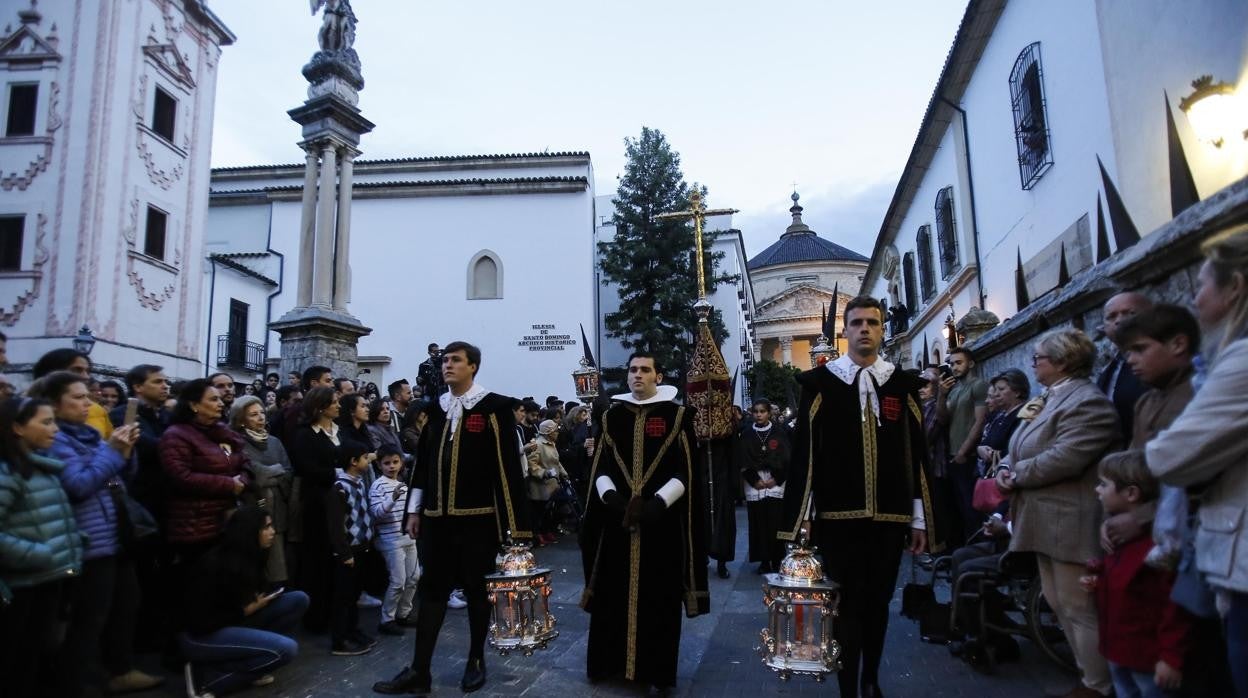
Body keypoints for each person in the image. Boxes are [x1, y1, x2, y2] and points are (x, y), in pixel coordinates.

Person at [778, 296, 934, 698]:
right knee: (844, 603)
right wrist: (806, 513)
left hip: (890, 517)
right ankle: (849, 684)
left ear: (882, 330)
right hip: (837, 515)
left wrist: (918, 516)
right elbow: (807, 452)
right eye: (858, 323)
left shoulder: (900, 383)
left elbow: (915, 452)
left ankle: (871, 679)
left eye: (873, 322)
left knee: (879, 604)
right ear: (845, 331)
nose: (865, 329)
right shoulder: (821, 384)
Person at [374, 341, 530, 696]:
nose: (447, 366)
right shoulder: (435, 409)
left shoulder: (494, 407)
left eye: (455, 360)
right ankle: (419, 671)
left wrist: (514, 526)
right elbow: (424, 466)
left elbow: (506, 469)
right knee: (432, 591)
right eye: (444, 360)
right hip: (436, 520)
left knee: (476, 591)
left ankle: (476, 659)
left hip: (479, 520)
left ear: (473, 366)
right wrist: (414, 510)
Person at [1146, 228, 1248, 697]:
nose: (1195, 296)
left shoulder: (1241, 361)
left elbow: (1169, 455)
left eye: (1203, 284)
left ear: (1235, 288)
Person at [995, 328, 1120, 698]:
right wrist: (1004, 466)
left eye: (1039, 358)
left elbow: (1065, 456)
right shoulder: (1049, 398)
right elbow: (1018, 443)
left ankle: (1099, 684)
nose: (1034, 364)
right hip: (1044, 518)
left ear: (1064, 361)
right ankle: (1087, 675)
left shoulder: (1087, 402)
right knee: (1058, 600)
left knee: (1078, 606)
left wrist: (1015, 476)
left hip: (1070, 519)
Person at [578, 351, 709, 692]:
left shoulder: (678, 416)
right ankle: (609, 664)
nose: (637, 375)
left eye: (645, 370)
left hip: (661, 527)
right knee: (612, 596)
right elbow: (602, 467)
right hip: (617, 526)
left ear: (658, 376)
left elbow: (686, 471)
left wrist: (657, 504)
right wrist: (613, 499)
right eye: (633, 370)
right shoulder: (610, 417)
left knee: (659, 601)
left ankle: (656, 671)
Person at [28, 372, 159, 696]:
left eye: (88, 396)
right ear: (54, 404)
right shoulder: (55, 440)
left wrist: (125, 452)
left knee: (126, 604)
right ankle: (74, 683)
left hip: (112, 535)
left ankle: (120, 669)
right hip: (87, 541)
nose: (88, 403)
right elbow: (79, 484)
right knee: (88, 620)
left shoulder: (87, 434)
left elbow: (116, 474)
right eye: (78, 397)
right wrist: (114, 452)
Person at [1085, 451, 1191, 698]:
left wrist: (1171, 657)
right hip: (1118, 650)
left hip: (1148, 659)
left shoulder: (1156, 550)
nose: (1097, 490)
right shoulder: (1119, 536)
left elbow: (1174, 607)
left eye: (1103, 484)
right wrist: (1098, 581)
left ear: (1131, 493)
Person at [0, 397, 84, 698]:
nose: (55, 430)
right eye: (46, 422)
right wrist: (40, 554)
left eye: (55, 422)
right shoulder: (7, 473)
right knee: (17, 664)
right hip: (24, 586)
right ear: (18, 428)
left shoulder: (39, 466)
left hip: (47, 580)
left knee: (37, 658)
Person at [180, 506, 308, 697]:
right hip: (201, 635)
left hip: (231, 621)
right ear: (249, 532)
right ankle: (207, 679)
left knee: (298, 599)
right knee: (286, 649)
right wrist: (245, 611)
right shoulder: (215, 564)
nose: (272, 532)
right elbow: (200, 621)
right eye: (266, 527)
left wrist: (266, 596)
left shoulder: (251, 556)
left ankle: (249, 663)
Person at [289, 386, 342, 632]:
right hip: (317, 504)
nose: (338, 405)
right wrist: (338, 473)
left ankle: (333, 612)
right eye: (334, 402)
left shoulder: (338, 431)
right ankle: (316, 617)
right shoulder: (304, 435)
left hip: (338, 503)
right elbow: (307, 469)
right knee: (316, 560)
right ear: (320, 407)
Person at [230, 395, 296, 585]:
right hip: (253, 506)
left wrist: (270, 474)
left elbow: (288, 472)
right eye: (253, 414)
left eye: (262, 413)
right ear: (241, 419)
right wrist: (274, 471)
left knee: (277, 561)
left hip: (278, 509)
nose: (260, 418)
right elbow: (254, 474)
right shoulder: (237, 442)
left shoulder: (275, 442)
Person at [325, 439, 377, 655]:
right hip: (349, 551)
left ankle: (352, 630)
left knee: (355, 594)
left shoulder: (359, 482)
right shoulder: (339, 488)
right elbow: (335, 525)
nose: (368, 460)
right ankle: (339, 639)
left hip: (362, 546)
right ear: (353, 461)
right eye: (365, 458)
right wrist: (344, 552)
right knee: (344, 597)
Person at [937, 346, 989, 545]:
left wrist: (963, 451)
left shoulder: (978, 386)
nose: (954, 367)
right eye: (951, 363)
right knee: (960, 509)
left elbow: (980, 421)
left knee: (972, 509)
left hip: (968, 457)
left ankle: (977, 552)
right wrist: (941, 395)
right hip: (953, 455)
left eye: (959, 362)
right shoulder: (954, 390)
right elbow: (943, 419)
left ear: (971, 363)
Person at [369, 445, 419, 636]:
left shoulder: (404, 484)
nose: (391, 466)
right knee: (398, 581)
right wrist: (392, 498)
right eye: (387, 463)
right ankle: (386, 619)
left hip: (407, 538)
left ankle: (403, 614)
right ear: (379, 465)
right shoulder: (378, 485)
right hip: (390, 540)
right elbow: (376, 513)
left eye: (395, 462)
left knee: (413, 578)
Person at [737, 398, 788, 574]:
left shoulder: (779, 432)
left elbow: (786, 458)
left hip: (775, 482)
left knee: (775, 522)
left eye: (762, 411)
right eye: (756, 412)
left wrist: (776, 478)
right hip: (755, 484)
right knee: (758, 523)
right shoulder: (746, 434)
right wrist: (754, 480)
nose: (759, 415)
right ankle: (764, 561)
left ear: (769, 413)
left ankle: (777, 559)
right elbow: (742, 459)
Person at [1099, 291, 1154, 438]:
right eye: (1111, 317)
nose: (1119, 320)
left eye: (1129, 313)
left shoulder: (1160, 362)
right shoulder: (1110, 369)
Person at [33, 348, 113, 438]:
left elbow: (106, 442)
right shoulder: (26, 410)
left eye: (87, 371)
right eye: (77, 370)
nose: (86, 377)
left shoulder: (96, 410)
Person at [526, 419, 568, 545]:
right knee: (539, 511)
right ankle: (537, 534)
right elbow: (531, 464)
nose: (557, 433)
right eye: (555, 431)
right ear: (548, 433)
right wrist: (544, 473)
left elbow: (556, 461)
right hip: (541, 485)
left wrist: (563, 473)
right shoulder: (537, 445)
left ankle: (546, 530)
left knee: (549, 511)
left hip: (552, 484)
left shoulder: (552, 444)